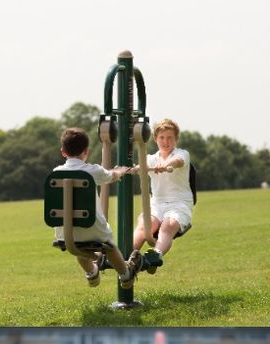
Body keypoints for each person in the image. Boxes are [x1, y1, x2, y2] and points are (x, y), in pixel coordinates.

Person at [51, 127, 142, 289]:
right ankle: (125, 275)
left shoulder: (56, 172)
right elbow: (111, 176)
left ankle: (92, 273)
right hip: (92, 228)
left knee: (80, 247)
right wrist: (122, 170)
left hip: (65, 232)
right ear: (86, 151)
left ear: (63, 152)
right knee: (109, 246)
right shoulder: (92, 171)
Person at [132, 119, 193, 267]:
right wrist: (132, 170)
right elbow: (142, 166)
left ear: (176, 139)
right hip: (157, 204)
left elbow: (178, 161)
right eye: (162, 137)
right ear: (155, 139)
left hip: (179, 204)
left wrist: (166, 165)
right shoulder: (151, 159)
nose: (166, 141)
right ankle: (126, 256)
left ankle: (154, 256)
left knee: (168, 226)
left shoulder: (182, 154)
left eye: (170, 137)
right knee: (145, 225)